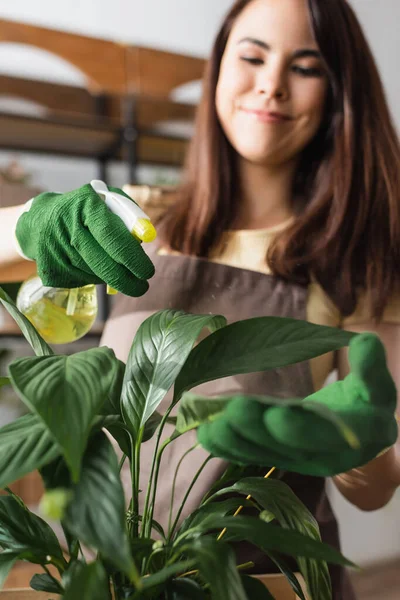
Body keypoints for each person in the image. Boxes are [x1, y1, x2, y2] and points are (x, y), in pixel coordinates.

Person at [1, 0, 399, 597]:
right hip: (111, 578)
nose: (271, 85)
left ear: (339, 90)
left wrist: (353, 446)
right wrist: (33, 220)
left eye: (306, 67)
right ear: (218, 70)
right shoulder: (136, 216)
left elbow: (377, 488)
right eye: (253, 56)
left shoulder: (356, 264)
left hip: (270, 583)